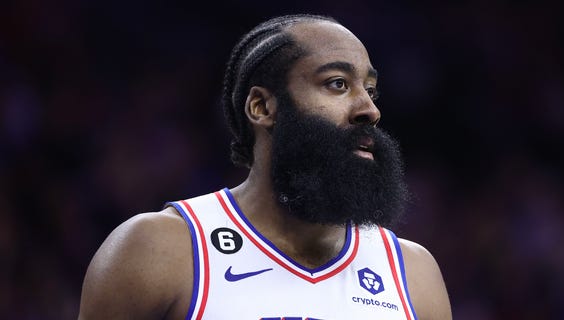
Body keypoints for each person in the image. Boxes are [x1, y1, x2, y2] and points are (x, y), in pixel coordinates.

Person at [78, 14, 452, 320]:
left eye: (370, 90)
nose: (370, 110)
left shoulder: (413, 274)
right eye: (337, 84)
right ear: (262, 107)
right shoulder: (159, 249)